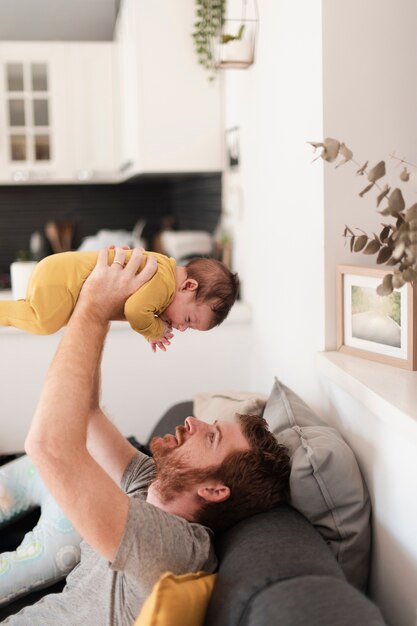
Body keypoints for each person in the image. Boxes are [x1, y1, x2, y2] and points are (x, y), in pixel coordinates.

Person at [0, 247, 290, 625]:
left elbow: (49, 448)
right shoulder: (149, 483)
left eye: (212, 437)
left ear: (215, 491)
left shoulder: (178, 547)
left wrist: (92, 307)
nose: (192, 422)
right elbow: (87, 413)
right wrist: (104, 302)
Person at [0, 247, 239, 352]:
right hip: (63, 279)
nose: (182, 327)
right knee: (43, 322)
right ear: (188, 286)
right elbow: (135, 312)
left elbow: (132, 306)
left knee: (50, 318)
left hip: (57, 272)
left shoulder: (165, 270)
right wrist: (154, 330)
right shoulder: (164, 282)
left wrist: (151, 328)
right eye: (188, 319)